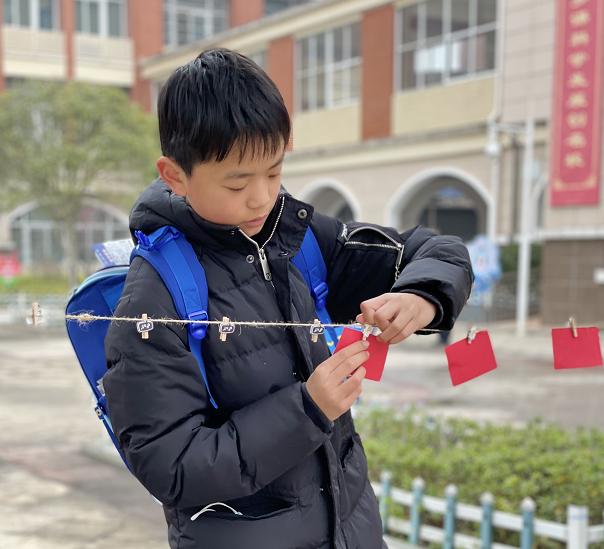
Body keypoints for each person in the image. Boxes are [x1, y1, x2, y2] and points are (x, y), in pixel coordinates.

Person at [103, 48, 473, 549]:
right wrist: (309, 409)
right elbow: (171, 467)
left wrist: (420, 296)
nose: (262, 197)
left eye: (274, 172)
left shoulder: (300, 240)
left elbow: (437, 250)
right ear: (175, 175)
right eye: (238, 182)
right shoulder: (154, 297)